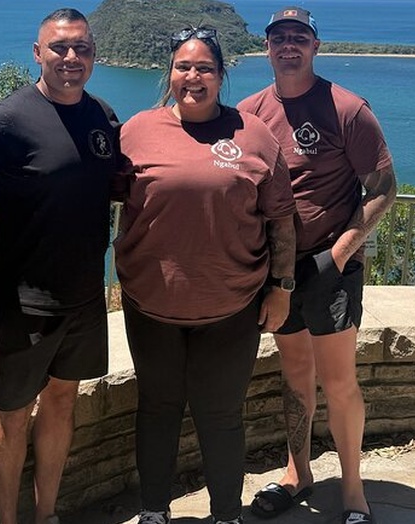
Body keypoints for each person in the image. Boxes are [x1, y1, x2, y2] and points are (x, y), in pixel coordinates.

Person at [114, 27, 297, 524]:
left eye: (204, 68)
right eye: (182, 66)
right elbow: (103, 199)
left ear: (222, 75)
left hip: (232, 305)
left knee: (221, 417)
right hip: (151, 304)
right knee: (157, 409)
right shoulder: (135, 131)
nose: (192, 77)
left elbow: (280, 218)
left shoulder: (254, 134)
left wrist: (281, 287)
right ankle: (154, 511)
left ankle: (225, 515)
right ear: (169, 72)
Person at [237, 7, 397, 524]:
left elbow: (383, 189)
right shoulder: (250, 111)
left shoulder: (347, 109)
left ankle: (354, 494)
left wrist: (340, 254)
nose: (289, 45)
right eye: (279, 37)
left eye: (298, 37)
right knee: (295, 374)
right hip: (279, 269)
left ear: (314, 46)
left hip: (331, 265)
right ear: (267, 47)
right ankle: (297, 472)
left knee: (339, 381)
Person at [0, 8, 120, 524]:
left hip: (85, 295)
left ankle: (46, 515)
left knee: (63, 403)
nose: (70, 58)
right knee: (12, 415)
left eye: (81, 48)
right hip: (23, 301)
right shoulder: (5, 120)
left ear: (93, 56)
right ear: (37, 53)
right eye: (59, 48)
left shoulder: (103, 117)